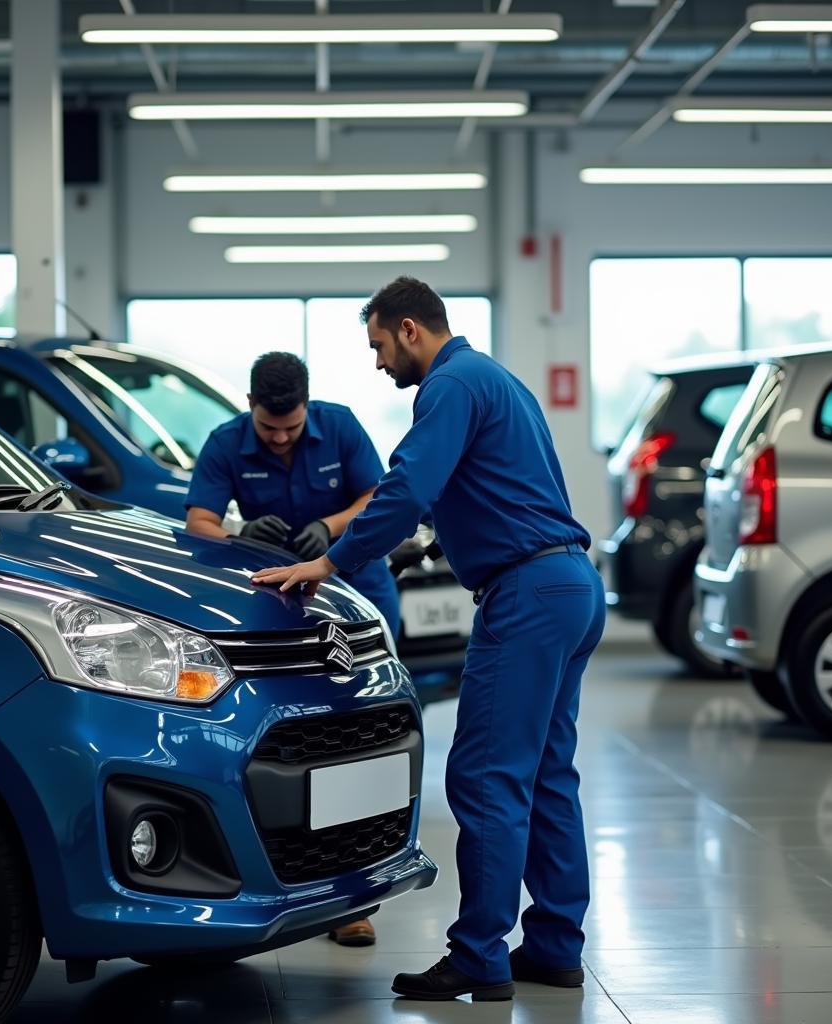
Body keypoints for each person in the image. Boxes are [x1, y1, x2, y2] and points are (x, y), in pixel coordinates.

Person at [252, 277, 606, 1001]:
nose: (379, 362)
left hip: (527, 597)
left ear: (410, 328)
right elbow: (495, 489)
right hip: (571, 586)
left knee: (485, 777)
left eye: (379, 344)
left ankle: (479, 955)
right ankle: (555, 946)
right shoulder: (497, 380)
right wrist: (428, 543)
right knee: (546, 774)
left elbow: (406, 485)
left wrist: (331, 561)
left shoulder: (445, 387)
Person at [185, 350, 401, 949]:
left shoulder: (343, 425)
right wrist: (236, 535)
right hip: (281, 605)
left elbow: (378, 498)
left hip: (356, 588)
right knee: (297, 748)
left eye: (291, 427)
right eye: (269, 427)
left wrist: (330, 528)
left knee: (359, 746)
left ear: (307, 408)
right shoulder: (225, 441)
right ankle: (289, 880)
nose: (280, 439)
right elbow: (198, 519)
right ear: (250, 406)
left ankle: (351, 902)